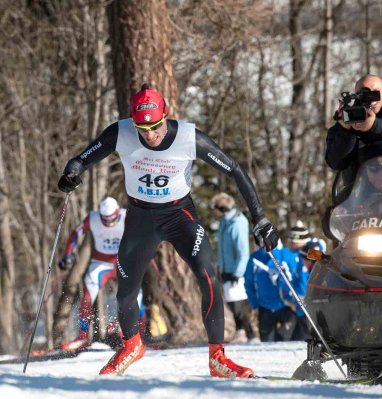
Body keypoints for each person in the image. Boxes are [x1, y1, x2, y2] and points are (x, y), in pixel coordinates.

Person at [57, 83, 279, 377]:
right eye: (142, 129)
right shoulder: (121, 132)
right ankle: (132, 346)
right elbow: (81, 159)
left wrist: (260, 218)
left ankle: (217, 358)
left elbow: (234, 169)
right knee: (126, 293)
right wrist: (72, 173)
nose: (149, 135)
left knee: (207, 275)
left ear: (165, 116)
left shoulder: (188, 137)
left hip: (179, 215)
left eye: (155, 127)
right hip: (140, 217)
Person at [58, 196, 144, 351]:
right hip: (100, 264)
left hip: (123, 263)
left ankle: (140, 335)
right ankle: (82, 336)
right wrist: (67, 254)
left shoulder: (127, 216)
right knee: (87, 293)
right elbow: (75, 233)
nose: (109, 223)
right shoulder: (93, 218)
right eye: (105, 220)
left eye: (112, 219)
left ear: (117, 212)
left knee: (136, 295)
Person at [326, 74, 382, 203]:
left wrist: (375, 126)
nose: (371, 101)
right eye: (364, 95)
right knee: (337, 208)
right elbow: (336, 162)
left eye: (375, 94)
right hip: (361, 191)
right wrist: (346, 130)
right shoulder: (351, 114)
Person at [211, 193, 258, 344]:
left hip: (236, 271)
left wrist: (237, 272)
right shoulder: (224, 222)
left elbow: (242, 251)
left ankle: (250, 334)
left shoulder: (237, 223)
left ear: (221, 208)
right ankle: (241, 332)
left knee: (236, 304)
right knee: (232, 303)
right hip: (226, 269)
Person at [244, 242, 302, 342]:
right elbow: (248, 282)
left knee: (287, 342)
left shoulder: (287, 255)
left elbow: (295, 280)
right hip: (264, 307)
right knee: (267, 343)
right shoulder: (255, 258)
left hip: (286, 307)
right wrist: (254, 303)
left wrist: (280, 279)